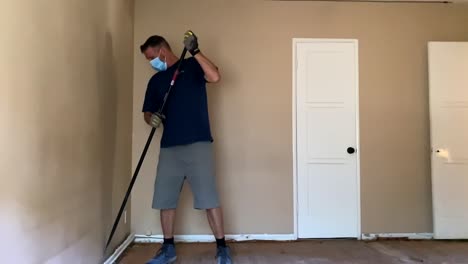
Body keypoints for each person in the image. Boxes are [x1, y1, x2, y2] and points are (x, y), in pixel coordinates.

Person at [140, 30, 232, 264]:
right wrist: (151, 119)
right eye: (148, 60)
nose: (152, 63)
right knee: (165, 198)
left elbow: (215, 77)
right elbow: (147, 111)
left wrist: (195, 51)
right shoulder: (156, 81)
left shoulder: (191, 66)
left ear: (162, 50)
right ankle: (168, 249)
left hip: (198, 142)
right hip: (170, 146)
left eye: (152, 57)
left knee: (208, 197)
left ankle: (222, 248)